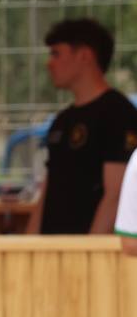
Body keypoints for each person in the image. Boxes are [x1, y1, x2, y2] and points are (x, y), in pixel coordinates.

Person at [28, 18, 137, 235]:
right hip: (52, 251)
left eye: (56, 53)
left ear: (85, 56)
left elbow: (115, 194)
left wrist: (88, 252)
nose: (49, 63)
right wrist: (27, 246)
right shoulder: (62, 120)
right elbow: (49, 191)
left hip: (88, 255)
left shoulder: (118, 114)